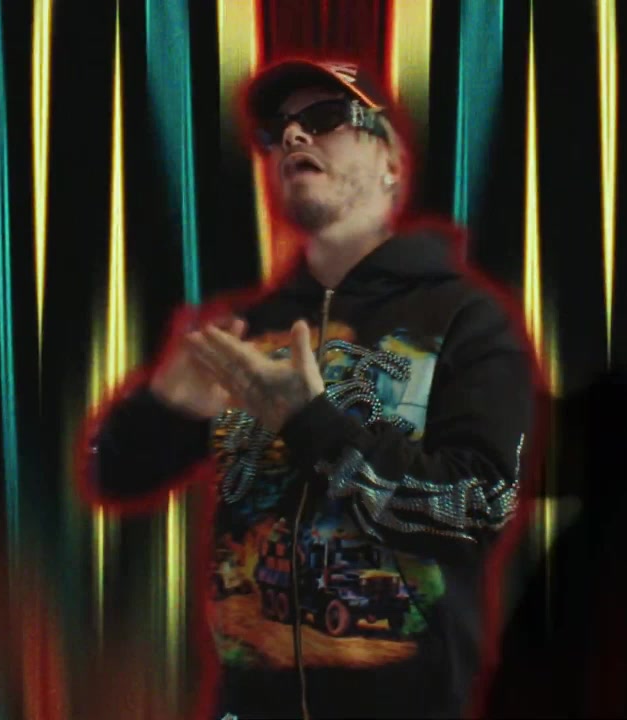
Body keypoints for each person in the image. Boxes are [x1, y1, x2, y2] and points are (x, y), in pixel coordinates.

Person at [83, 58, 538, 720]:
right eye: (278, 131)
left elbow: (479, 506)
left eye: (326, 118)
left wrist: (309, 421)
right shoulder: (247, 329)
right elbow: (111, 476)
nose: (293, 138)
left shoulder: (466, 319)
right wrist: (160, 407)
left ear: (391, 162)